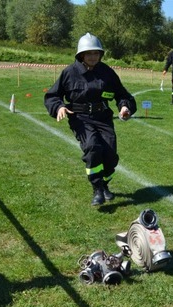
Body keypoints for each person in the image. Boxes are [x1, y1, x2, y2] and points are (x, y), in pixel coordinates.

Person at [44, 33, 137, 206]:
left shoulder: (107, 72)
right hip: (80, 118)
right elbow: (52, 96)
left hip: (103, 117)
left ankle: (105, 184)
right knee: (93, 147)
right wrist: (59, 107)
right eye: (89, 54)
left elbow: (122, 95)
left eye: (96, 53)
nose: (93, 57)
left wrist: (125, 107)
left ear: (100, 55)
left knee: (110, 154)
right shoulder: (69, 73)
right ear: (81, 55)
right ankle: (97, 189)